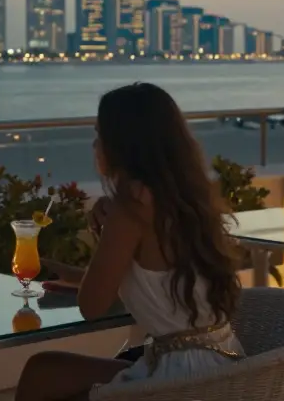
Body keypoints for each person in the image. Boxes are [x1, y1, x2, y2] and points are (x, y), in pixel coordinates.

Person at [15, 83, 244, 401]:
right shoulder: (185, 198)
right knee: (46, 372)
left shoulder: (132, 209)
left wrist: (106, 232)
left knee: (41, 373)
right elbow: (154, 282)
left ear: (123, 144)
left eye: (100, 134)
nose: (95, 145)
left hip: (181, 377)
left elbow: (91, 307)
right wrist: (66, 273)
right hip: (223, 359)